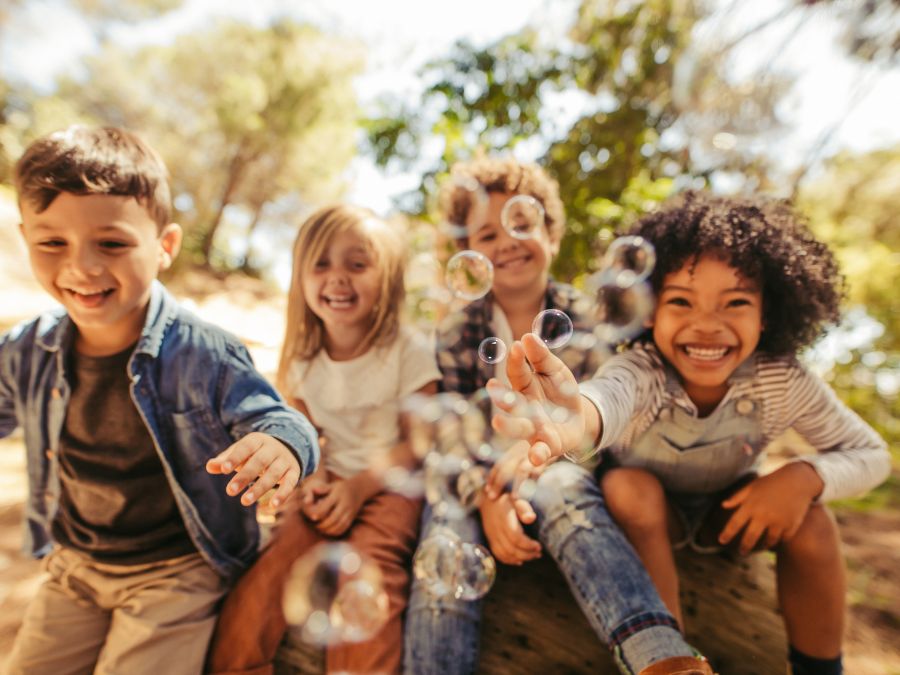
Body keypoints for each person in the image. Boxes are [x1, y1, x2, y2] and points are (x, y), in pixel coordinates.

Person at [489, 190, 890, 675]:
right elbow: (607, 399)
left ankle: (821, 668)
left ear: (768, 315)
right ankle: (667, 658)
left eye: (735, 302)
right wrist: (578, 417)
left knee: (813, 518)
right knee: (629, 486)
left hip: (731, 512)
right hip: (650, 514)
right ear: (649, 310)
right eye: (681, 301)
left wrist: (804, 476)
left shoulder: (780, 379)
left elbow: (871, 453)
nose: (706, 326)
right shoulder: (643, 369)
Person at [2, 125, 319, 675]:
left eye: (112, 243)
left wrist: (280, 446)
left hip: (176, 571)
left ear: (164, 246)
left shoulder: (207, 353)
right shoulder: (26, 349)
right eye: (52, 243)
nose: (82, 267)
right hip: (76, 566)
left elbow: (280, 419)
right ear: (26, 237)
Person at [405, 157, 712, 675]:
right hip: (476, 480)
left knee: (565, 491)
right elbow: (452, 435)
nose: (506, 241)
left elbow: (599, 430)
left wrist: (531, 468)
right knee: (445, 529)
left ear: (550, 233)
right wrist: (488, 496)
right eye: (486, 232)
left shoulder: (588, 318)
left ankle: (663, 659)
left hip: (560, 468)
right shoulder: (458, 333)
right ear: (467, 256)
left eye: (521, 224)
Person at [206, 204, 441, 675]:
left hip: (392, 485)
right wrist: (317, 479)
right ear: (301, 278)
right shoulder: (302, 361)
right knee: (276, 562)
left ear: (389, 278)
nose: (337, 278)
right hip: (328, 481)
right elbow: (305, 433)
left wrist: (357, 490)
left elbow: (419, 443)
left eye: (357, 264)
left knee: (374, 570)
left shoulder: (408, 349)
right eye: (321, 264)